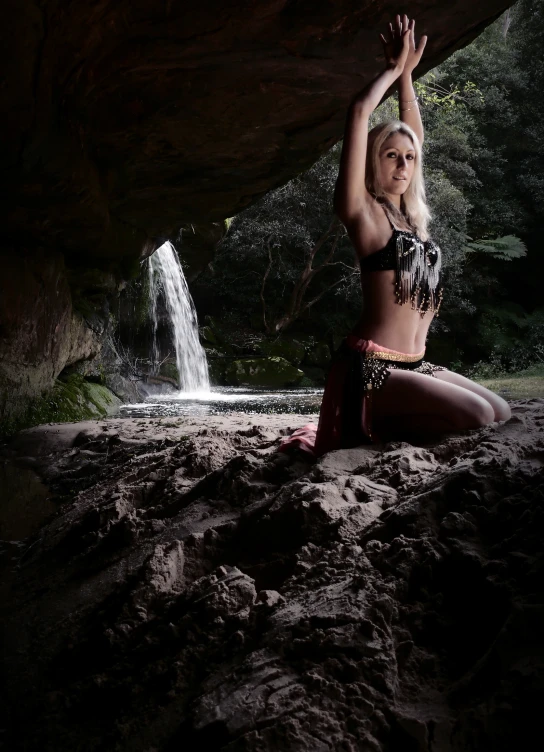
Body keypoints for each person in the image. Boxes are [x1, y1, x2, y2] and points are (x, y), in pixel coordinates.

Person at [280, 14, 510, 456]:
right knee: (478, 418)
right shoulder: (363, 213)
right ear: (373, 160)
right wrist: (389, 70)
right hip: (369, 370)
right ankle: (376, 424)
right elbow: (359, 111)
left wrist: (408, 77)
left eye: (409, 158)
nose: (403, 166)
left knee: (499, 411)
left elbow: (415, 138)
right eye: (391, 155)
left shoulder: (410, 217)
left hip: (415, 364)